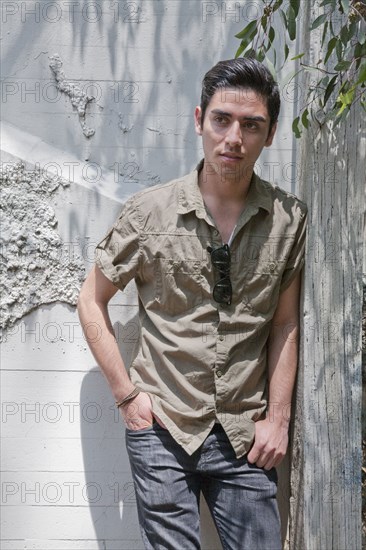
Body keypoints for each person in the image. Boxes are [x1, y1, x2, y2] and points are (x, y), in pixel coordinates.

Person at [77, 57, 307, 550]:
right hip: (162, 424)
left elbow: (285, 323)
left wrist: (279, 419)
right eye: (222, 119)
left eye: (252, 125)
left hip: (246, 434)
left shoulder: (288, 220)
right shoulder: (148, 213)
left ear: (269, 136)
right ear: (199, 119)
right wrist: (127, 397)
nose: (233, 138)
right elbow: (91, 301)